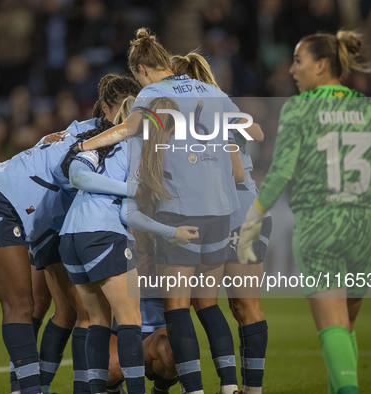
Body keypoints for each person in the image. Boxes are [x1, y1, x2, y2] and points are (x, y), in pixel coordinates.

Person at [237, 30, 371, 394]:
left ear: (321, 65)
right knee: (345, 326)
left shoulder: (298, 108)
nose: (292, 69)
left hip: (319, 224)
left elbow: (280, 172)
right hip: (363, 228)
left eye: (298, 60)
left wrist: (253, 217)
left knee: (332, 326)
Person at [76, 28, 261, 394]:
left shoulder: (152, 94)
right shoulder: (211, 91)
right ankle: (230, 386)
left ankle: (194, 390)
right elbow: (254, 131)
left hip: (181, 209)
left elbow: (126, 131)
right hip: (220, 212)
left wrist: (85, 145)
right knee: (208, 305)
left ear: (142, 69)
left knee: (178, 307)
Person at [0, 74, 141, 393]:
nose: (130, 120)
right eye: (125, 110)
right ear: (106, 109)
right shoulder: (97, 137)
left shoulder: (80, 130)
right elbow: (73, 170)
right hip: (1, 202)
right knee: (22, 306)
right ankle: (29, 389)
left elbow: (51, 151)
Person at [61, 96, 200, 394]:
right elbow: (127, 211)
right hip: (102, 231)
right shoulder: (141, 150)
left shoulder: (100, 144)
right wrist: (169, 230)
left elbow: (76, 175)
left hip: (70, 235)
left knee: (97, 320)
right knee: (129, 319)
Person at [172, 52, 271, 394]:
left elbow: (239, 163)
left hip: (235, 213)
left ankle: (242, 387)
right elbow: (256, 130)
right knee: (233, 305)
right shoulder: (219, 104)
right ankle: (241, 387)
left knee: (217, 303)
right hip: (240, 212)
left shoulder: (203, 111)